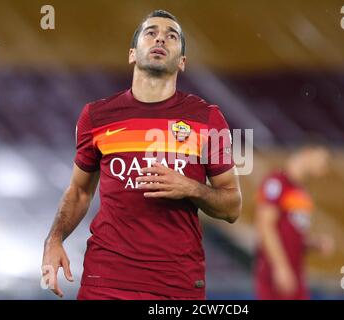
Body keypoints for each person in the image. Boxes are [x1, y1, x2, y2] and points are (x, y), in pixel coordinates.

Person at [41, 9, 242, 300]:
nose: (161, 37)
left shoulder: (207, 118)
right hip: (105, 281)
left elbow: (232, 207)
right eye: (151, 33)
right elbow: (80, 191)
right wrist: (54, 239)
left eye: (172, 36)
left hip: (176, 285)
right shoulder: (97, 116)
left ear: (182, 62)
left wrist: (190, 188)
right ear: (133, 54)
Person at [254, 144, 334, 300]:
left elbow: (291, 234)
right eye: (323, 160)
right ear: (308, 152)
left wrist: (313, 243)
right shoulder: (276, 182)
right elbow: (265, 226)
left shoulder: (301, 191)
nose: (325, 167)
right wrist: (280, 267)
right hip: (276, 275)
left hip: (295, 274)